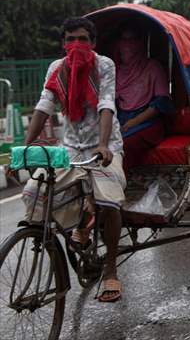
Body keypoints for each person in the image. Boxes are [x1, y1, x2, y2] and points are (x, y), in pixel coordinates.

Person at [22, 17, 125, 302]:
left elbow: (106, 103)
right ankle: (78, 226)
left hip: (104, 147)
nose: (75, 44)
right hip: (70, 148)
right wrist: (25, 148)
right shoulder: (57, 68)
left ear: (93, 43)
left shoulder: (104, 65)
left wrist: (104, 145)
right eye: (70, 39)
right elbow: (44, 105)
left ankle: (111, 270)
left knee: (109, 199)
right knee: (34, 192)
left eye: (82, 38)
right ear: (63, 43)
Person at [114, 24, 174, 172]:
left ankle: (119, 186)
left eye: (132, 39)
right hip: (121, 122)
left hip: (148, 122)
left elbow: (160, 104)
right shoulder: (116, 70)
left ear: (140, 43)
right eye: (124, 39)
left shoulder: (153, 67)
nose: (127, 45)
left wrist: (131, 123)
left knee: (124, 144)